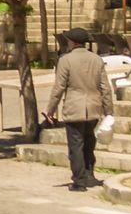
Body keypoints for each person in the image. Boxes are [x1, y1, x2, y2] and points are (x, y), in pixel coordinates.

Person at [45, 29, 115, 192]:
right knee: (89, 143)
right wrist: (108, 111)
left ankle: (79, 181)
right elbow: (105, 87)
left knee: (75, 146)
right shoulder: (97, 60)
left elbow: (59, 87)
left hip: (74, 108)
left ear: (72, 42)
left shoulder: (65, 60)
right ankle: (89, 175)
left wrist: (50, 109)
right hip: (93, 108)